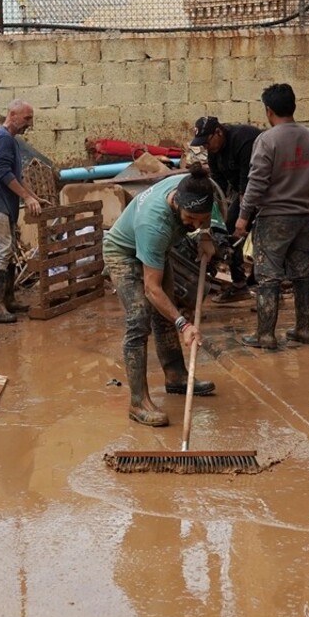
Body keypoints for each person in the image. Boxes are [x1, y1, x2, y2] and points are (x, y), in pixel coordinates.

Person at [103, 167, 219, 427]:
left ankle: (176, 377)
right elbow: (151, 289)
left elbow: (208, 212)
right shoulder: (153, 224)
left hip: (156, 251)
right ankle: (137, 402)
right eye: (190, 219)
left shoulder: (198, 187)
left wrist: (205, 235)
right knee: (139, 319)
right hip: (123, 253)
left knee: (166, 313)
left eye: (201, 219)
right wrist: (185, 325)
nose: (194, 224)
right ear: (176, 201)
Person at [235, 83, 309, 350]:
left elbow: (256, 183)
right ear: (294, 106)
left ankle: (265, 335)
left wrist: (243, 217)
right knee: (302, 274)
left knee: (268, 276)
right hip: (303, 219)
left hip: (274, 219)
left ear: (269, 111)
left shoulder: (267, 140)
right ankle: (303, 330)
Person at [0, 100, 45, 323]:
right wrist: (26, 197)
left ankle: (8, 299)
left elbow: (18, 177)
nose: (30, 124)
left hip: (4, 204)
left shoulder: (11, 141)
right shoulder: (3, 138)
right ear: (13, 115)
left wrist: (33, 197)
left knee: (8, 251)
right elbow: (5, 174)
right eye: (27, 118)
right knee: (2, 251)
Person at [190, 115, 262, 303]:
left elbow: (249, 182)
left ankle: (269, 288)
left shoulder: (244, 139)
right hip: (242, 192)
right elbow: (218, 186)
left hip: (265, 191)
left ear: (218, 132)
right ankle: (240, 284)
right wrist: (215, 217)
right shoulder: (214, 151)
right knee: (227, 231)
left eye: (207, 142)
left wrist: (243, 218)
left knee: (260, 236)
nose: (207, 147)